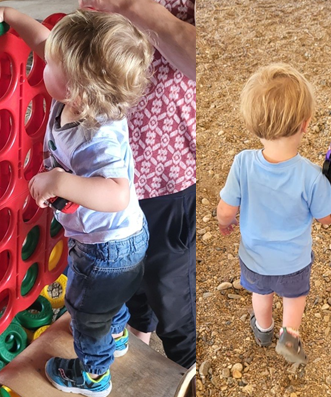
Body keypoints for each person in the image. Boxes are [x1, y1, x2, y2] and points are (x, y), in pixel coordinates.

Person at [1, 7, 153, 396]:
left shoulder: (96, 137)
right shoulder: (82, 95)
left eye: (51, 63)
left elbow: (117, 193)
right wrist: (9, 13)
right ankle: (116, 334)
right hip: (118, 242)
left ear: (79, 91)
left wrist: (60, 180)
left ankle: (93, 376)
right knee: (107, 302)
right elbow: (44, 41)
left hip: (107, 249)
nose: (44, 57)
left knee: (85, 313)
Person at [78, 0, 196, 369]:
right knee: (127, 288)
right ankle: (132, 358)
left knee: (174, 306)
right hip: (112, 172)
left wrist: (130, 7)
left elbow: (215, 61)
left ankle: (191, 374)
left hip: (167, 174)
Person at [217, 64, 331, 364]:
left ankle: (264, 329)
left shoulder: (242, 163)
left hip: (254, 257)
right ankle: (289, 335)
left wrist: (225, 223)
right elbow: (328, 217)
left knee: (261, 294)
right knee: (294, 298)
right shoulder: (311, 176)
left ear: (253, 123)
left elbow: (226, 210)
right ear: (305, 125)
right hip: (293, 262)